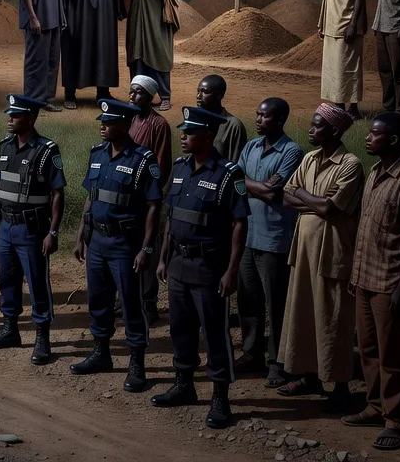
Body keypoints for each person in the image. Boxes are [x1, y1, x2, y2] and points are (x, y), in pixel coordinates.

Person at [151, 106, 249, 430]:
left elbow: (239, 224)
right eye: (183, 130)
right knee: (181, 329)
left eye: (189, 132)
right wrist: (164, 257)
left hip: (209, 268)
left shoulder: (227, 173)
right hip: (178, 263)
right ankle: (184, 384)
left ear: (207, 135)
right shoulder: (179, 168)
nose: (183, 135)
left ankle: (220, 397)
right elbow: (172, 216)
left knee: (214, 334)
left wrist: (231, 271)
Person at [345, 112, 400, 451]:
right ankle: (375, 406)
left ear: (393, 140)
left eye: (375, 134)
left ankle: (397, 421)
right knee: (367, 350)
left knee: (393, 354)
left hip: (390, 282)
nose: (367, 138)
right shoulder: (376, 173)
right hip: (365, 277)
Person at [276, 104, 364, 413]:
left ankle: (340, 386)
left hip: (332, 253)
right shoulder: (310, 158)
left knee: (333, 319)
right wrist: (312, 200)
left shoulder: (350, 164)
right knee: (304, 313)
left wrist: (304, 195)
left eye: (317, 126)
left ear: (335, 132)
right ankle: (308, 377)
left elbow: (330, 209)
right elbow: (286, 196)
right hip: (304, 250)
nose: (311, 130)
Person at [71, 99, 161, 392]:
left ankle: (137, 364)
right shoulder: (97, 154)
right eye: (102, 121)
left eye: (108, 122)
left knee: (132, 305)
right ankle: (101, 353)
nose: (102, 126)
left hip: (125, 243)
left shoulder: (143, 160)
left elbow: (152, 206)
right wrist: (81, 234)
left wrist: (146, 248)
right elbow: (91, 195)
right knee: (98, 300)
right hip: (97, 241)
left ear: (125, 125)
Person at [0, 94, 65, 364]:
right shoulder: (5, 146)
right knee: (7, 280)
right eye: (10, 114)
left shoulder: (46, 151)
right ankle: (10, 330)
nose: (10, 118)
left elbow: (57, 194)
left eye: (15, 115)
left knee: (37, 284)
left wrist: (53, 232)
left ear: (31, 117)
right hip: (5, 227)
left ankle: (42, 337)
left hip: (32, 230)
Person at [233, 98, 303, 386]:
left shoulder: (292, 151)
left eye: (265, 116)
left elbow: (275, 191)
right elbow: (235, 181)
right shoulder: (250, 146)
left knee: (276, 304)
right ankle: (252, 353)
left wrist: (254, 186)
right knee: (248, 300)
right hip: (247, 236)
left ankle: (278, 361)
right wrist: (258, 187)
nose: (258, 119)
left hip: (274, 239)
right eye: (258, 114)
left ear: (280, 120)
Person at [128, 75, 172, 323]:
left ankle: (148, 304)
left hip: (147, 198)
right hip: (128, 199)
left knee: (148, 249)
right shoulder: (130, 119)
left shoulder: (159, 125)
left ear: (151, 96)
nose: (132, 97)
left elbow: (161, 165)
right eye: (131, 92)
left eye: (138, 93)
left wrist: (152, 196)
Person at [196, 75, 248, 161]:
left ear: (219, 95)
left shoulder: (234, 126)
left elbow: (236, 161)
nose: (198, 96)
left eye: (205, 92)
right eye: (198, 91)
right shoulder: (197, 120)